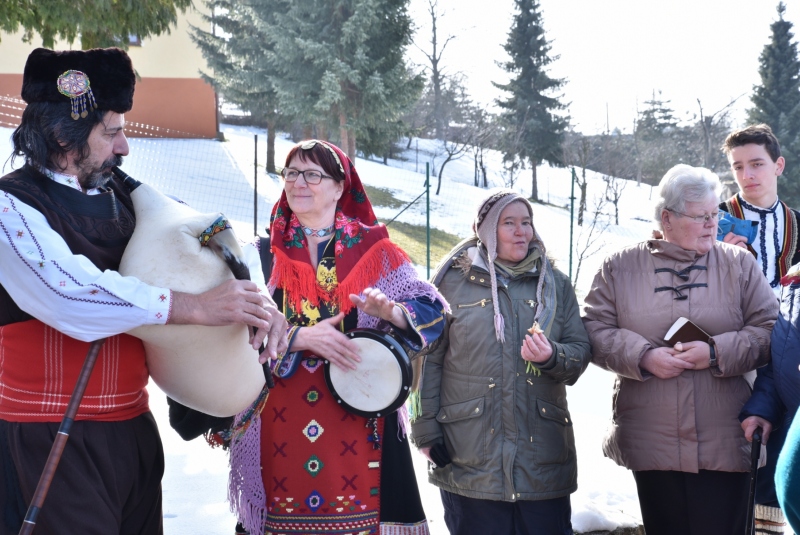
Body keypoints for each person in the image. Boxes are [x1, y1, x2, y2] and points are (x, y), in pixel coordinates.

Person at [0, 47, 287, 535]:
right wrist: (193, 307)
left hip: (132, 431)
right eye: (111, 132)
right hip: (45, 436)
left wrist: (255, 302)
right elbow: (68, 293)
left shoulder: (131, 201)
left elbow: (213, 241)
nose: (125, 148)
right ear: (60, 135)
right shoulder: (11, 208)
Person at [225, 139, 447, 535]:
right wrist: (300, 338)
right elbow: (234, 325)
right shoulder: (259, 254)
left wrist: (391, 312)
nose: (299, 182)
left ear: (340, 186)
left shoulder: (376, 252)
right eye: (291, 173)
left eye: (312, 174)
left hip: (359, 415)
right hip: (276, 413)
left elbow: (433, 311)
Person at [582, 164, 778, 535]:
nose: (712, 224)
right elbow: (592, 330)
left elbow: (770, 332)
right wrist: (643, 356)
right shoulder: (620, 267)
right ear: (666, 218)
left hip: (725, 435)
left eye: (715, 214)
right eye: (701, 216)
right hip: (651, 439)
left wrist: (716, 352)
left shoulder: (739, 265)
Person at [409, 189, 591, 535]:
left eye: (526, 222)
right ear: (487, 230)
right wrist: (426, 431)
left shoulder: (555, 285)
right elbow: (426, 361)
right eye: (509, 223)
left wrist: (552, 356)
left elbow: (580, 353)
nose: (521, 231)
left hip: (541, 460)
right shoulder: (451, 283)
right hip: (469, 455)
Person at [721, 124, 800, 533]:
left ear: (778, 165)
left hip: (789, 348)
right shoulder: (712, 220)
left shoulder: (798, 224)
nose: (747, 174)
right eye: (738, 166)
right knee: (737, 447)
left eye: (756, 164)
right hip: (735, 349)